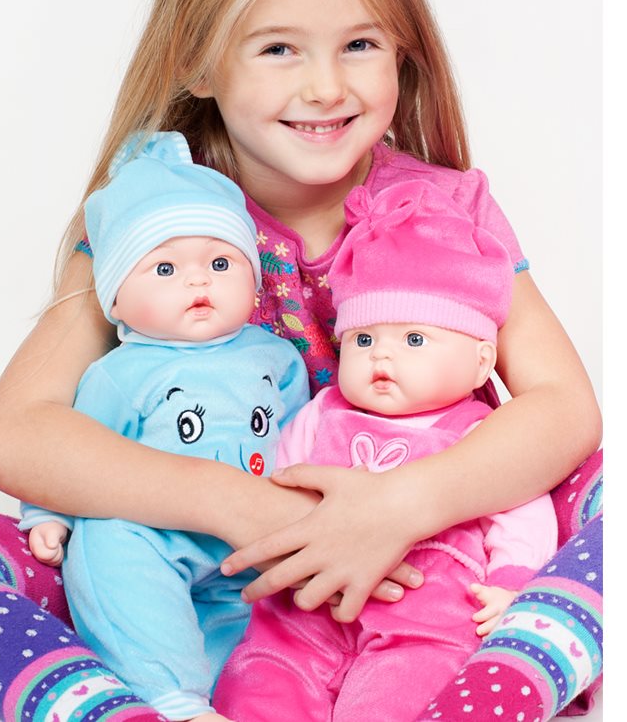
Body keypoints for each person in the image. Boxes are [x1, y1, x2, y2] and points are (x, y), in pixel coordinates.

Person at [0, 0, 602, 722]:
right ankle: (150, 703)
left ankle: (475, 687)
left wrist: (400, 507)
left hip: (423, 564)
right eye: (279, 48)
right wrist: (242, 505)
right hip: (222, 580)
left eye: (360, 44)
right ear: (197, 61)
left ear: (403, 49)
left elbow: (563, 408)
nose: (325, 87)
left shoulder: (441, 212)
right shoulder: (158, 219)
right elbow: (16, 433)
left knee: (605, 511)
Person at [214, 179, 559, 721]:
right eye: (364, 339)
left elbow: (521, 513)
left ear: (481, 363)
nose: (381, 357)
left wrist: (511, 583)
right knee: (259, 678)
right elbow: (278, 481)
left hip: (422, 623)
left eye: (414, 340)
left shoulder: (480, 434)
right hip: (306, 612)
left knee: (405, 693)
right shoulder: (323, 413)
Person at [19, 131, 310, 721]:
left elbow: (305, 435)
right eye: (166, 268)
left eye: (221, 264)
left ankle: (246, 699)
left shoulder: (277, 358)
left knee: (253, 625)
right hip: (156, 532)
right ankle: (169, 696)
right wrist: (47, 513)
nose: (198, 282)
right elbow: (73, 452)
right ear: (116, 302)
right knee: (109, 545)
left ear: (254, 283)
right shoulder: (120, 373)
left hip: (257, 534)